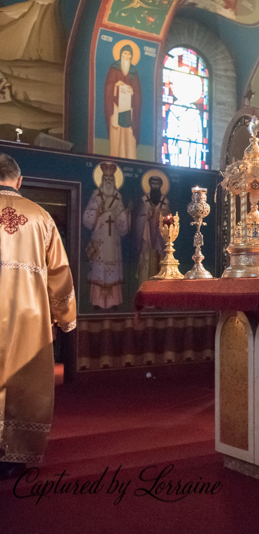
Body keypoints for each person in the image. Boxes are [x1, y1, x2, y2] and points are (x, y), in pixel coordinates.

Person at [0, 154, 76, 480]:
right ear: (19, 181)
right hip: (28, 317)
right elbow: (59, 273)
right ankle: (14, 456)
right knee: (23, 381)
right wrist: (65, 317)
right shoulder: (41, 217)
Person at [83, 162, 130, 309]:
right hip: (100, 239)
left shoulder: (118, 196)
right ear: (102, 179)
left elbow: (121, 218)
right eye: (106, 179)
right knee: (99, 268)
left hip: (113, 240)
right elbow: (87, 216)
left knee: (113, 268)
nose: (109, 182)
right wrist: (98, 212)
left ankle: (113, 302)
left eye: (111, 179)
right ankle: (98, 302)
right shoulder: (96, 195)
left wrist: (126, 215)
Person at [104, 44, 142, 159]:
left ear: (131, 56)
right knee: (117, 133)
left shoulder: (133, 71)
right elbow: (108, 86)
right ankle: (115, 157)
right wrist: (116, 85)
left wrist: (132, 91)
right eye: (124, 53)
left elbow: (138, 92)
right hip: (116, 107)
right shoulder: (114, 68)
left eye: (129, 54)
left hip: (129, 109)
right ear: (121, 55)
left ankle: (130, 158)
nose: (126, 56)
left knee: (128, 135)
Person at [133, 174, 170, 285]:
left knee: (159, 262)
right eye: (153, 184)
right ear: (149, 185)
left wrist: (161, 217)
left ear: (160, 185)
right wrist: (146, 217)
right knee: (146, 263)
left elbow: (169, 221)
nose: (155, 187)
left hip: (159, 241)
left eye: (157, 184)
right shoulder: (144, 200)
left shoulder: (165, 202)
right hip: (147, 241)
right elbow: (139, 220)